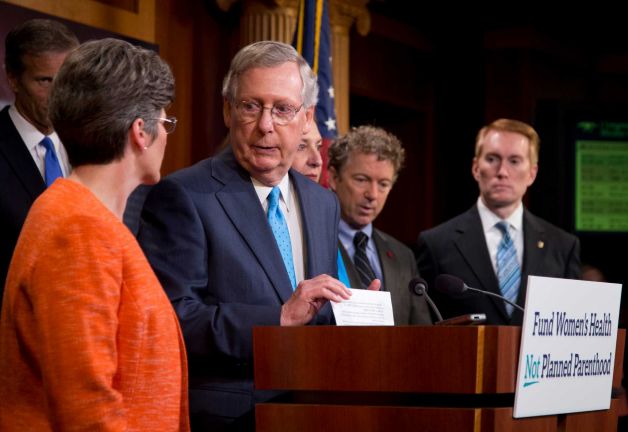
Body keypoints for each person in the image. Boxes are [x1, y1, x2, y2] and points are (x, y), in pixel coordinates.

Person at [137, 40, 376, 430]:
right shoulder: (185, 195)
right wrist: (277, 318)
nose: (266, 124)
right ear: (228, 111)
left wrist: (353, 312)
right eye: (251, 106)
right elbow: (171, 321)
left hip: (313, 412)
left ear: (306, 118)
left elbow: (311, 318)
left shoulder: (322, 203)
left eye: (282, 109)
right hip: (227, 418)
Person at [0, 39, 189, 431]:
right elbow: (86, 408)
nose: (167, 135)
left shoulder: (85, 219)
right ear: (141, 131)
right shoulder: (78, 228)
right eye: (166, 122)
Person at [416, 118, 581, 325]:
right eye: (492, 159)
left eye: (514, 161)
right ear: (476, 168)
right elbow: (423, 327)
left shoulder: (563, 246)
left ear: (532, 173)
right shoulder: (436, 244)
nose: (502, 172)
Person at [0, 18, 79, 307]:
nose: (59, 95)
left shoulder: (90, 143)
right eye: (45, 81)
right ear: (12, 79)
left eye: (66, 81)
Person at [328, 125, 432, 325]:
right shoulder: (315, 244)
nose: (372, 195)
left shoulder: (403, 256)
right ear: (333, 178)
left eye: (383, 184)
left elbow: (422, 332)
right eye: (361, 180)